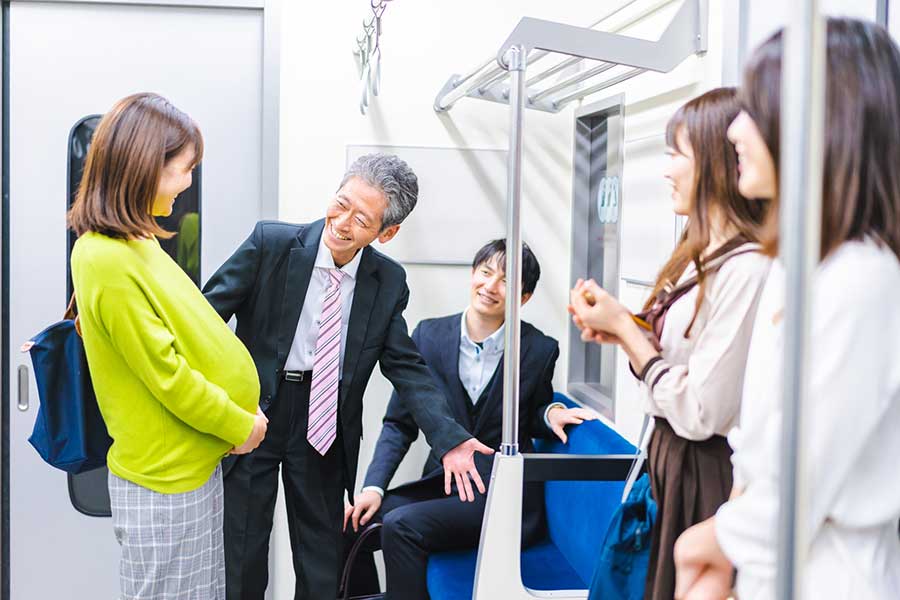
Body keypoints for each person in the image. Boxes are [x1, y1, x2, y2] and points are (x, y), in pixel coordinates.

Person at [673, 18, 900, 600]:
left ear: (818, 123)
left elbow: (800, 480)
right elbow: (762, 448)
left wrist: (704, 543)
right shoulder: (795, 265)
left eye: (756, 109)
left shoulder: (863, 279)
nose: (736, 131)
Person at [203, 153, 495, 600]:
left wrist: (449, 437)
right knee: (241, 560)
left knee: (322, 565)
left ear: (387, 232)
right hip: (256, 415)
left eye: (362, 219)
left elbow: (406, 366)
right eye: (340, 204)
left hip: (323, 427)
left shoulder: (387, 281)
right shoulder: (273, 244)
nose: (342, 223)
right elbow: (204, 319)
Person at [568, 88, 771, 600]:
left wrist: (631, 337)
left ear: (717, 163)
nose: (667, 169)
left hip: (703, 472)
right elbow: (673, 358)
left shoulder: (747, 268)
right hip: (666, 459)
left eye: (678, 153)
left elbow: (702, 409)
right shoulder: (696, 255)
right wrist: (620, 329)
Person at [68, 92, 267, 600]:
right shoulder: (103, 258)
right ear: (143, 168)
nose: (188, 182)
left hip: (190, 469)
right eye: (183, 168)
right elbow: (166, 373)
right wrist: (237, 423)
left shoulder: (137, 242)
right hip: (164, 483)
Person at [343, 239, 595, 599]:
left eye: (506, 281)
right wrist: (373, 487)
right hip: (441, 485)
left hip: (501, 494)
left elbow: (533, 411)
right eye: (486, 272)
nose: (491, 286)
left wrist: (551, 412)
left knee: (401, 525)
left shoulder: (539, 349)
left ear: (522, 298)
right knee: (353, 522)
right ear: (473, 274)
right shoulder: (428, 336)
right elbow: (399, 423)